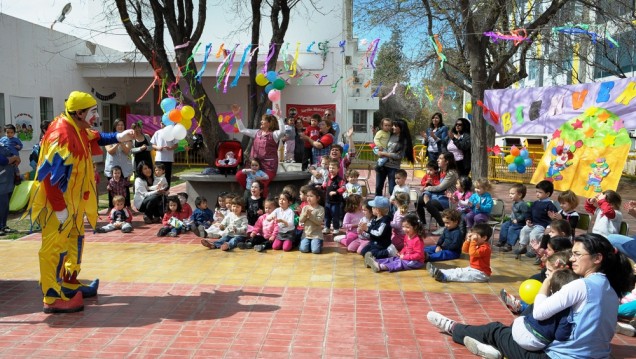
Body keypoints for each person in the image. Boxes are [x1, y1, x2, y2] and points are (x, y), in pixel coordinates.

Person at [427, 233, 634, 359]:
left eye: (577, 254)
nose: (572, 259)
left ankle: (453, 328)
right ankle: (491, 350)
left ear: (597, 258)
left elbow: (542, 312)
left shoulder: (582, 286)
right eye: (572, 254)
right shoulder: (612, 287)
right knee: (523, 335)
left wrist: (548, 281)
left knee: (496, 330)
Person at [28, 91, 134, 313]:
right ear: (79, 112)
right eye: (92, 112)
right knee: (53, 248)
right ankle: (51, 296)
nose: (95, 116)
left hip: (74, 203)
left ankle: (68, 282)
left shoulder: (77, 126)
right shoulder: (62, 135)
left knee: (75, 241)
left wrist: (119, 136)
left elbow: (95, 136)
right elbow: (49, 176)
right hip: (59, 204)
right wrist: (58, 208)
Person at [234, 104, 284, 196]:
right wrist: (237, 117)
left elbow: (282, 132)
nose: (261, 121)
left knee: (261, 184)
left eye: (263, 120)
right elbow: (242, 130)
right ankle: (251, 195)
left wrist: (280, 117)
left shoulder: (274, 135)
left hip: (269, 167)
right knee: (239, 175)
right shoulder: (257, 133)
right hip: (254, 166)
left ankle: (264, 204)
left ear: (269, 123)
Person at [427, 223, 492, 283]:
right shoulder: (476, 244)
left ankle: (444, 277)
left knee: (460, 275)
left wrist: (473, 241)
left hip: (481, 274)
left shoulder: (485, 248)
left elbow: (472, 253)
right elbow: (465, 250)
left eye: (476, 236)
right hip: (473, 268)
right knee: (457, 270)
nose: (473, 238)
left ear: (484, 238)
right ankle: (439, 271)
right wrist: (468, 240)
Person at [417, 153, 459, 235]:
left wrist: (425, 189)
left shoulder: (451, 173)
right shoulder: (440, 171)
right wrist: (426, 193)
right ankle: (423, 223)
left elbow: (440, 188)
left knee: (430, 204)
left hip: (449, 199)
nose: (437, 160)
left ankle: (443, 226)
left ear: (446, 161)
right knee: (419, 201)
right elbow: (434, 185)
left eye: (440, 158)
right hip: (438, 196)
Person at [515, 180, 558, 256]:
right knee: (524, 230)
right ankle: (523, 246)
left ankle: (533, 249)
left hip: (542, 225)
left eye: (540, 192)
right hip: (533, 224)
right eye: (536, 192)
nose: (537, 194)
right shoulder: (535, 203)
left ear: (547, 194)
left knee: (533, 234)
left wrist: (552, 220)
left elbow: (554, 217)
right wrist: (528, 220)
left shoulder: (549, 205)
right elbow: (529, 212)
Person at [375, 119, 414, 197]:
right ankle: (377, 206)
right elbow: (382, 143)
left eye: (395, 126)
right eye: (392, 125)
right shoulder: (390, 135)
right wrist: (379, 151)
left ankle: (394, 207)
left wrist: (385, 154)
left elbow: (399, 156)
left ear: (401, 128)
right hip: (382, 165)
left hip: (393, 167)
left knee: (392, 190)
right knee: (378, 187)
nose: (392, 127)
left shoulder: (404, 140)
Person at [104, 119, 133, 208]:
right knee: (111, 188)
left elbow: (127, 150)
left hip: (124, 167)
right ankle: (111, 207)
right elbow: (110, 151)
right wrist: (117, 143)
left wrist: (122, 142)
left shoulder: (128, 137)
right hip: (112, 167)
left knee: (125, 187)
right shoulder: (109, 137)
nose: (120, 127)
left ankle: (128, 206)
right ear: (115, 127)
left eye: (122, 125)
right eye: (118, 125)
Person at [361, 196, 397, 261]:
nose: (371, 209)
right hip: (373, 243)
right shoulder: (375, 219)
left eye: (373, 207)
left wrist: (367, 229)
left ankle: (389, 252)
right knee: (363, 252)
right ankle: (372, 256)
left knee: (374, 253)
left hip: (381, 245)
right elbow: (370, 232)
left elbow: (379, 233)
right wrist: (363, 230)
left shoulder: (385, 220)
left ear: (377, 210)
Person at [497, 183, 530, 252]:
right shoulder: (515, 202)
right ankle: (502, 241)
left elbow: (525, 214)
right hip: (513, 221)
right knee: (504, 225)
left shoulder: (522, 204)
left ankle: (509, 245)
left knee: (512, 229)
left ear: (520, 195)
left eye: (512, 194)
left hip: (520, 223)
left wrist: (518, 219)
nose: (510, 195)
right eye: (509, 193)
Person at [299, 187, 326, 254]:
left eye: (311, 196)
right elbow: (301, 220)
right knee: (303, 249)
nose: (308, 198)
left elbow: (319, 222)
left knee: (315, 251)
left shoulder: (320, 209)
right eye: (307, 196)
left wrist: (310, 216)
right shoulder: (305, 208)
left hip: (316, 235)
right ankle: (309, 243)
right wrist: (305, 214)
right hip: (306, 234)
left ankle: (319, 243)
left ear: (318, 198)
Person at [150, 123, 178, 189]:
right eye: (162, 123)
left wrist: (170, 148)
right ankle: (157, 191)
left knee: (167, 176)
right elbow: (153, 144)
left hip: (168, 159)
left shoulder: (172, 133)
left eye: (165, 123)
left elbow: (176, 145)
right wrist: (158, 148)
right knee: (157, 176)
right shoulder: (157, 132)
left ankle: (166, 193)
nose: (164, 125)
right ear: (160, 124)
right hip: (159, 158)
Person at [322, 159, 345, 235]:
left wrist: (336, 192)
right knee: (327, 215)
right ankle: (327, 227)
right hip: (328, 201)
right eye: (330, 168)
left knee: (335, 215)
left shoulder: (339, 179)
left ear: (338, 169)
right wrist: (321, 187)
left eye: (333, 168)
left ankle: (336, 228)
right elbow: (326, 186)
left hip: (335, 202)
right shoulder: (328, 178)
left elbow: (343, 188)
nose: (331, 169)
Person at [0, 148, 20, 236]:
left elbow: (12, 155)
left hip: (7, 180)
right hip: (1, 182)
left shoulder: (3, 146)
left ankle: (3, 226)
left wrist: (15, 158)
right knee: (2, 204)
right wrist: (14, 158)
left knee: (6, 206)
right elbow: (3, 160)